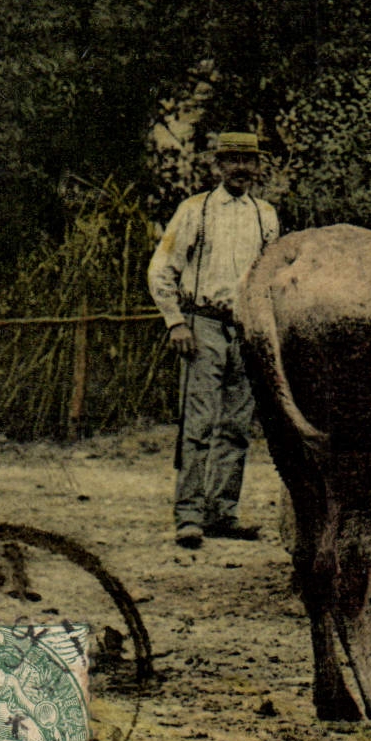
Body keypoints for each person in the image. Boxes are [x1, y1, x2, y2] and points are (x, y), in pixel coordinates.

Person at [148, 131, 281, 548]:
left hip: (247, 329)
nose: (241, 168)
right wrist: (176, 323)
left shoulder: (266, 215)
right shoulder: (196, 211)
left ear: (259, 167)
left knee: (237, 427)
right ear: (217, 166)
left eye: (249, 160)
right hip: (202, 324)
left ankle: (223, 513)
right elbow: (161, 269)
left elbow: (272, 278)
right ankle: (188, 516)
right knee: (199, 423)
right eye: (232, 160)